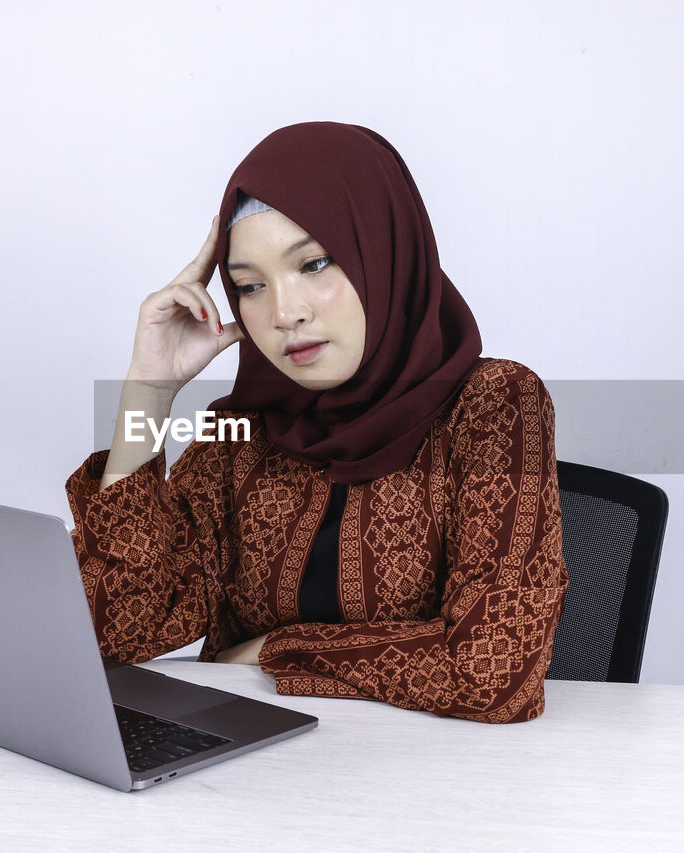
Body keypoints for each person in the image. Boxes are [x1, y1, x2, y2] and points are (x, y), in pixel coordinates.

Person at [66, 122, 567, 723]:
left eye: (314, 264)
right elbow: (112, 629)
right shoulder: (242, 436)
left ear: (383, 252)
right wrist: (148, 392)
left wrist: (270, 652)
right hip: (254, 779)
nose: (284, 313)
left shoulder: (491, 405)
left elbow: (494, 672)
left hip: (438, 786)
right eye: (250, 286)